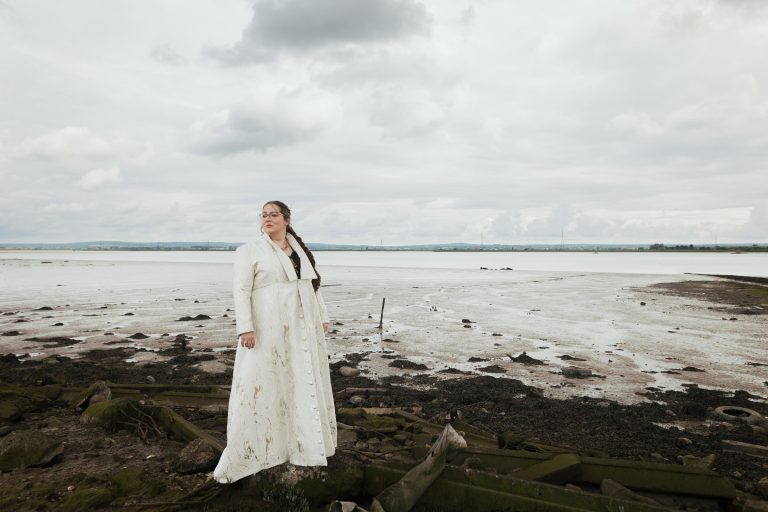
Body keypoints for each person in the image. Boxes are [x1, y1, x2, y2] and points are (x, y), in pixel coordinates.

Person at [213, 200, 337, 484]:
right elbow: (241, 290)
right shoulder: (249, 251)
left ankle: (300, 445)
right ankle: (257, 449)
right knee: (262, 380)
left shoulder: (300, 251)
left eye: (274, 214)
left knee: (300, 378)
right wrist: (245, 328)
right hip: (266, 327)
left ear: (287, 219)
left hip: (301, 326)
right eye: (264, 215)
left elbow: (312, 285)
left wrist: (322, 316)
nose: (268, 218)